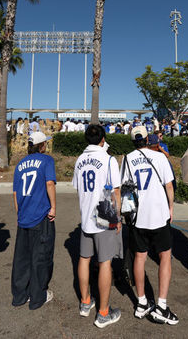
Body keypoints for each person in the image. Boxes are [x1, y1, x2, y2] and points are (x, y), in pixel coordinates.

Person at [120, 126, 178, 325]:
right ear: (147, 139)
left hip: (137, 217)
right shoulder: (159, 157)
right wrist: (171, 207)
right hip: (159, 214)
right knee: (164, 257)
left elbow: (125, 187)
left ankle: (142, 301)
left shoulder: (127, 159)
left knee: (139, 257)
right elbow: (169, 185)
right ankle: (161, 305)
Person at [73, 125, 122, 328]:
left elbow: (78, 188)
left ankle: (85, 302)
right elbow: (115, 192)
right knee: (105, 263)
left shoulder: (79, 160)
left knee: (84, 259)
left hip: (86, 216)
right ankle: (103, 312)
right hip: (104, 214)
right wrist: (117, 218)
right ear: (103, 139)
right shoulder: (108, 159)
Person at [11, 132, 56, 310]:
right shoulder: (46, 160)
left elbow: (15, 193)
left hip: (24, 215)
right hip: (40, 214)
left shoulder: (21, 164)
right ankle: (38, 297)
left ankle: (20, 295)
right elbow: (49, 184)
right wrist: (53, 207)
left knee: (22, 258)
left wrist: (19, 213)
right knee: (41, 257)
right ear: (41, 145)